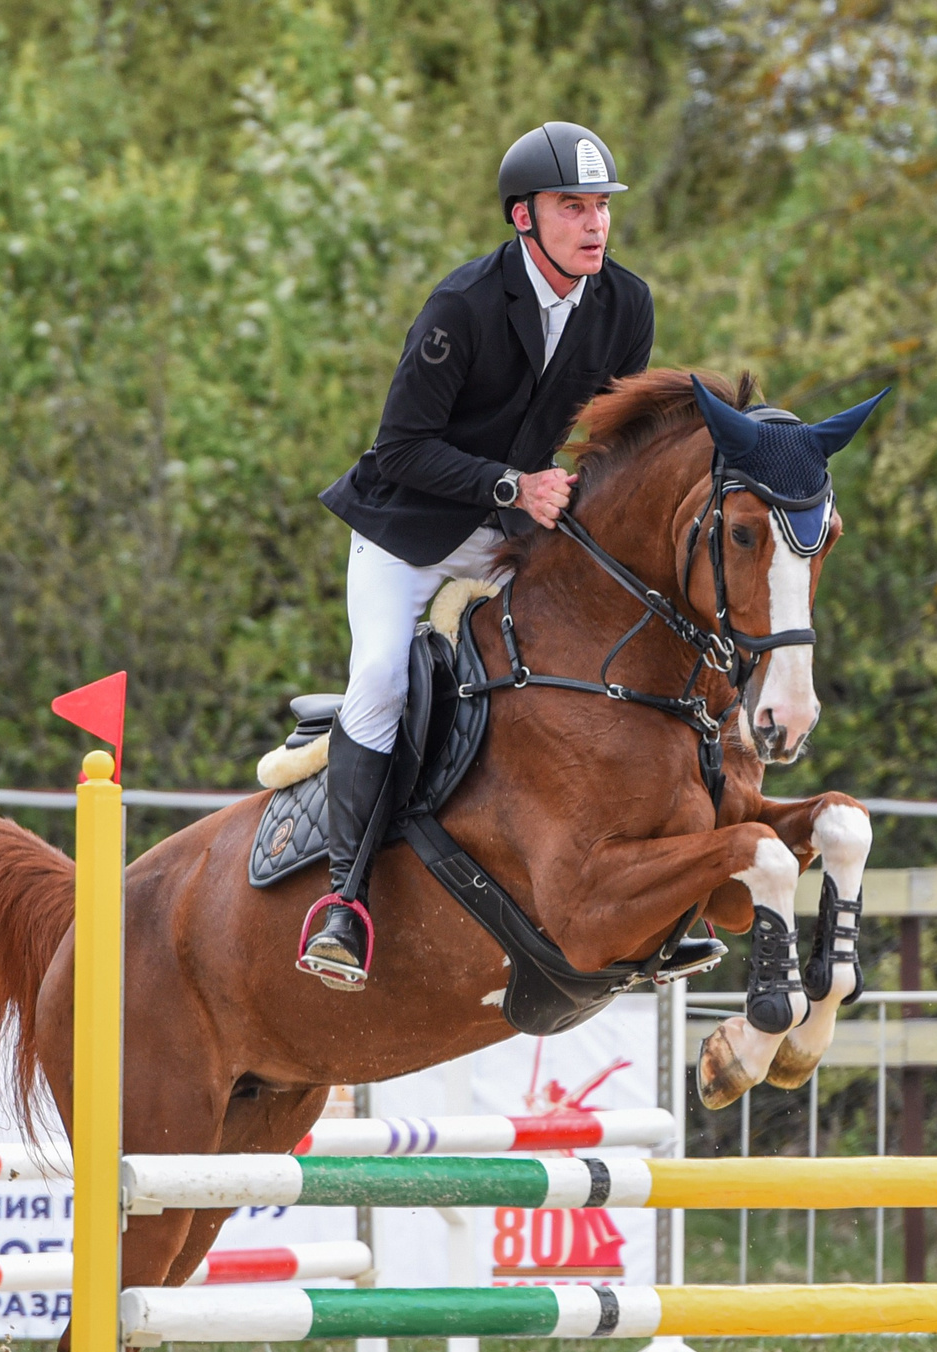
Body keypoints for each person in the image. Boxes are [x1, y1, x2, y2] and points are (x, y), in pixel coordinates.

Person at [301, 122, 654, 990]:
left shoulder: (625, 306)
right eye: (573, 207)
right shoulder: (460, 307)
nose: (594, 224)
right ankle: (344, 901)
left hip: (511, 536)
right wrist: (512, 486)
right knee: (382, 674)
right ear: (523, 218)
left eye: (601, 206)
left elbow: (618, 444)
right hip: (408, 530)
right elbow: (400, 449)